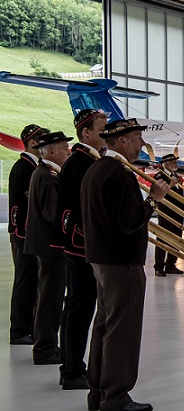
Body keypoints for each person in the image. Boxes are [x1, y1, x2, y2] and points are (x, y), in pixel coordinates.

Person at [81, 117, 169, 411]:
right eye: (136, 139)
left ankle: (98, 390)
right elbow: (130, 222)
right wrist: (154, 200)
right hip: (122, 261)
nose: (141, 144)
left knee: (105, 324)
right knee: (123, 328)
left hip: (102, 259)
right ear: (122, 141)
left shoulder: (97, 169)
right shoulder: (119, 174)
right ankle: (116, 395)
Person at [54, 109, 107, 389]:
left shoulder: (85, 160)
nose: (106, 134)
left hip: (80, 243)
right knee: (80, 307)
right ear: (86, 133)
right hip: (81, 244)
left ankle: (72, 365)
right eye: (102, 129)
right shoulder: (81, 162)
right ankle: (72, 369)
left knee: (78, 305)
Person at [25, 131, 72, 365]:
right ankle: (45, 347)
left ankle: (45, 344)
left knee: (48, 296)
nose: (68, 152)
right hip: (51, 247)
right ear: (52, 151)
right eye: (64, 148)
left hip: (45, 246)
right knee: (50, 299)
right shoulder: (49, 176)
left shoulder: (42, 172)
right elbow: (53, 214)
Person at [8, 124, 48, 345]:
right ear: (33, 142)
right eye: (43, 140)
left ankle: (27, 326)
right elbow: (19, 207)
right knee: (26, 280)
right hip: (24, 235)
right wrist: (22, 234)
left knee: (31, 280)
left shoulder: (32, 166)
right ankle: (20, 329)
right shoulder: (23, 168)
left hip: (28, 234)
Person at [153, 153, 184, 276]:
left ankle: (171, 264)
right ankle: (159, 266)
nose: (176, 164)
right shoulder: (160, 176)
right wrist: (171, 185)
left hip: (178, 212)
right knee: (163, 238)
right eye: (173, 162)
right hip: (166, 212)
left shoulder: (175, 176)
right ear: (166, 164)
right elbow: (158, 193)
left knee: (176, 239)